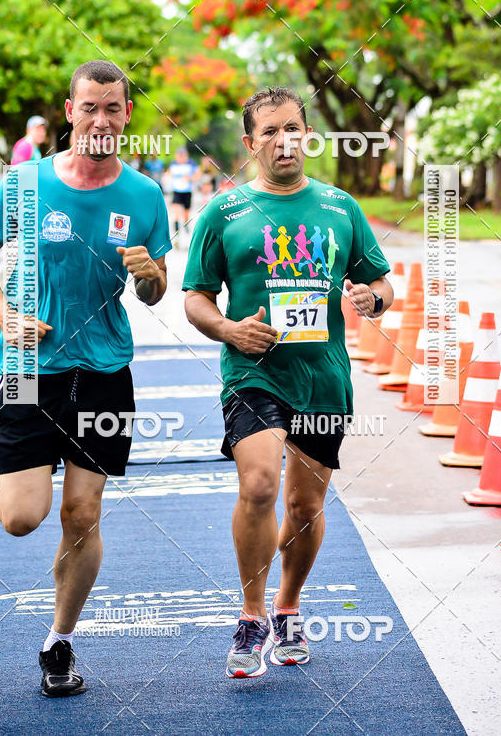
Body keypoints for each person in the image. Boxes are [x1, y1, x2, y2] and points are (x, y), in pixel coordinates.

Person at [0, 59, 171, 697]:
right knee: (24, 516)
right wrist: (4, 313)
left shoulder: (143, 196)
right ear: (70, 111)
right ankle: (1, 483)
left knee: (82, 512)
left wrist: (147, 274)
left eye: (113, 109)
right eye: (90, 108)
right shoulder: (25, 182)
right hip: (29, 369)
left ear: (127, 116)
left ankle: (59, 641)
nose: (101, 120)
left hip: (105, 371)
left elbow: (158, 290)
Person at [183, 86, 393, 679]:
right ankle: (250, 617)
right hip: (253, 372)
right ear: (250, 144)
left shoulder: (339, 208)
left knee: (304, 503)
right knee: (258, 485)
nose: (283, 141)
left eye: (292, 128)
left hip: (324, 377)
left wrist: (369, 298)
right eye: (270, 132)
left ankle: (287, 606)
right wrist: (228, 329)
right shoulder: (224, 214)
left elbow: (382, 285)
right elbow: (195, 297)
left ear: (308, 135)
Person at [168, 146, 200, 240]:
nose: (181, 158)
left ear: (186, 156)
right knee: (177, 214)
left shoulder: (191, 163)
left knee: (186, 215)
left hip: (187, 192)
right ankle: (176, 234)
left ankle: (186, 229)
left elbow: (197, 175)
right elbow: (168, 174)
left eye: (183, 156)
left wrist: (189, 178)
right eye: (179, 156)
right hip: (177, 192)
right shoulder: (173, 164)